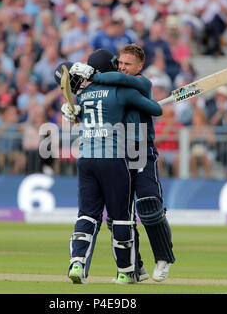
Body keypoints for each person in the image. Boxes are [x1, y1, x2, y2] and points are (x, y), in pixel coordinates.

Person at [68, 44, 176, 282]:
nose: (123, 68)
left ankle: (163, 258)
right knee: (118, 215)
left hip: (140, 151)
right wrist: (76, 112)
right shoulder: (111, 88)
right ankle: (135, 267)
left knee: (149, 205)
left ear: (139, 67)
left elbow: (147, 95)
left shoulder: (138, 83)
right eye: (121, 64)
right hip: (116, 154)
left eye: (128, 64)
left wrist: (94, 77)